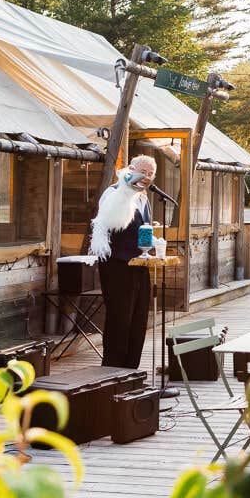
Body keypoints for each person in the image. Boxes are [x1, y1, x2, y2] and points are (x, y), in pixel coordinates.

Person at [88, 155, 157, 370]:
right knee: (120, 320)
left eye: (150, 174)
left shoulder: (144, 198)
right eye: (142, 171)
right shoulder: (114, 193)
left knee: (138, 322)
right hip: (117, 265)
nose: (146, 177)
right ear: (130, 169)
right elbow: (112, 223)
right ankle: (112, 372)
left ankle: (131, 371)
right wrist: (127, 194)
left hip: (140, 265)